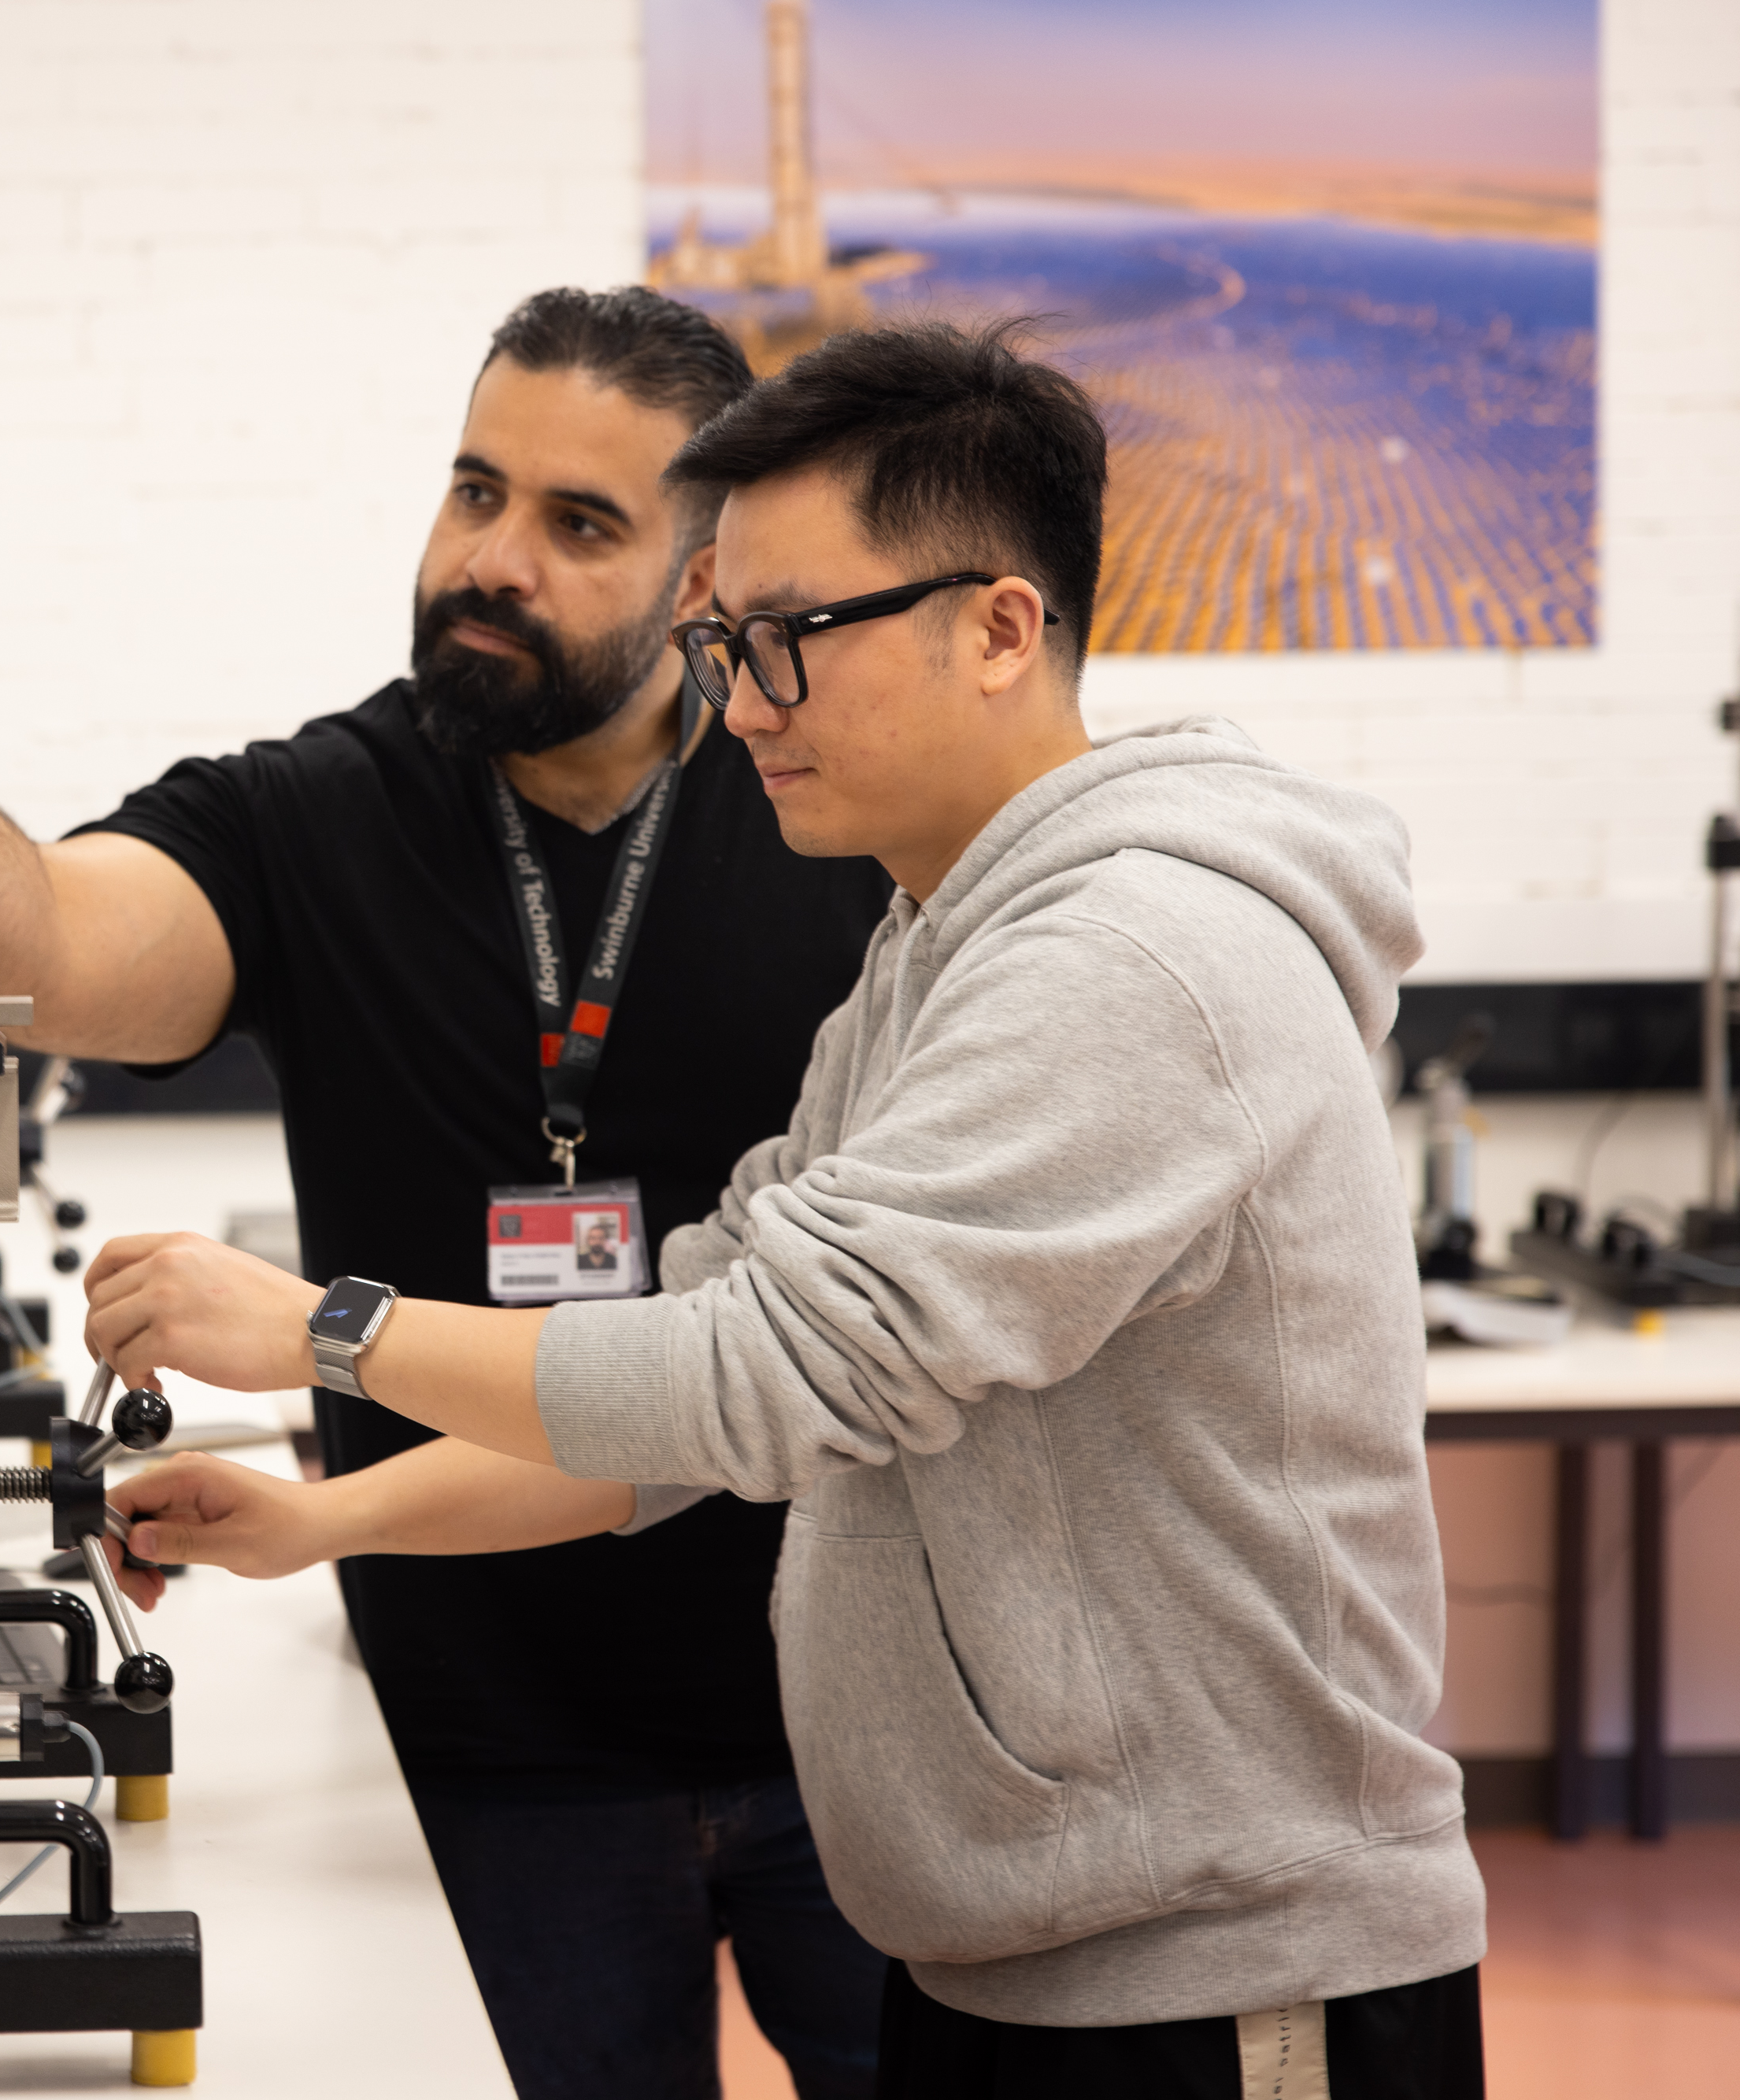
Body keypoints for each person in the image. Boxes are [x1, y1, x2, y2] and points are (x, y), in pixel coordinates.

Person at [81, 322, 1488, 2100]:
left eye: (787, 643)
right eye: (722, 643)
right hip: (1018, 1951)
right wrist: (326, 1517)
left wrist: (320, 1325)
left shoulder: (1132, 959)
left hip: (1208, 1980)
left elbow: (747, 1373)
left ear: (997, 624)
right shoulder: (926, 959)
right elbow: (682, 1408)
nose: (738, 703)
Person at [0, 289, 897, 2098]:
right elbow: (31, 947)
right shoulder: (318, 815)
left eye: (576, 524)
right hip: (487, 1755)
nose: (491, 559)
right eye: (474, 490)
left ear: (705, 577)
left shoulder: (827, 818)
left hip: (849, 1731)